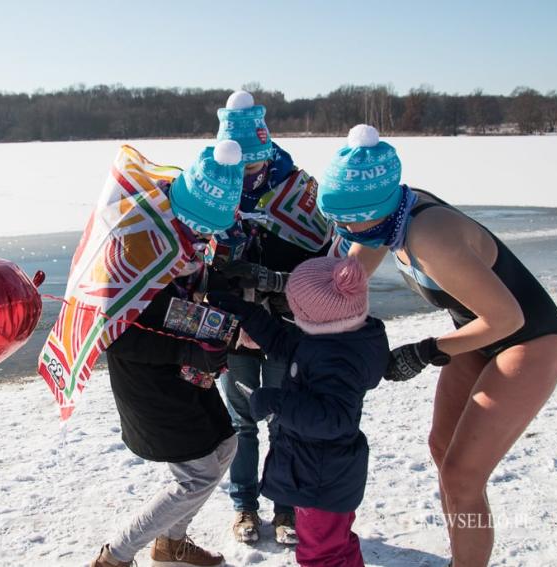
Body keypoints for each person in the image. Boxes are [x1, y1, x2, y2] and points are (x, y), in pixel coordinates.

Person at [316, 124, 557, 567]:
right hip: (477, 331)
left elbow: (508, 318)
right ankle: (463, 551)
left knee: (462, 475)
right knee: (442, 449)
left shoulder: (431, 237)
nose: (341, 230)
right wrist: (296, 299)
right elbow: (351, 275)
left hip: (528, 341)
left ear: (374, 208)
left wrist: (424, 351)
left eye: (346, 220)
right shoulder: (388, 216)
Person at [90, 141, 245, 567]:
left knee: (225, 445)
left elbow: (189, 294)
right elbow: (116, 336)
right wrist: (190, 351)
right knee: (197, 475)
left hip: (187, 366)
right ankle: (115, 557)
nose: (203, 238)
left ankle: (170, 543)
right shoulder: (135, 241)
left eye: (209, 231)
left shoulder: (191, 234)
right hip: (148, 379)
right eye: (199, 228)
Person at [209, 90, 332, 544]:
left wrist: (271, 280)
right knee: (241, 423)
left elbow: (326, 265)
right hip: (236, 329)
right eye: (237, 168)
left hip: (287, 327)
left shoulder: (300, 192)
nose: (244, 176)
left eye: (252, 166)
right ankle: (244, 508)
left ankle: (285, 509)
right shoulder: (212, 190)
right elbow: (202, 265)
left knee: (285, 419)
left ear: (265, 155)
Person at [210, 256, 388, 567]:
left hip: (320, 476)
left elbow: (334, 419)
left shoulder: (338, 359)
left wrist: (274, 402)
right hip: (322, 470)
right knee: (337, 543)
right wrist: (247, 313)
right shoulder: (338, 338)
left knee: (321, 553)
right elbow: (285, 342)